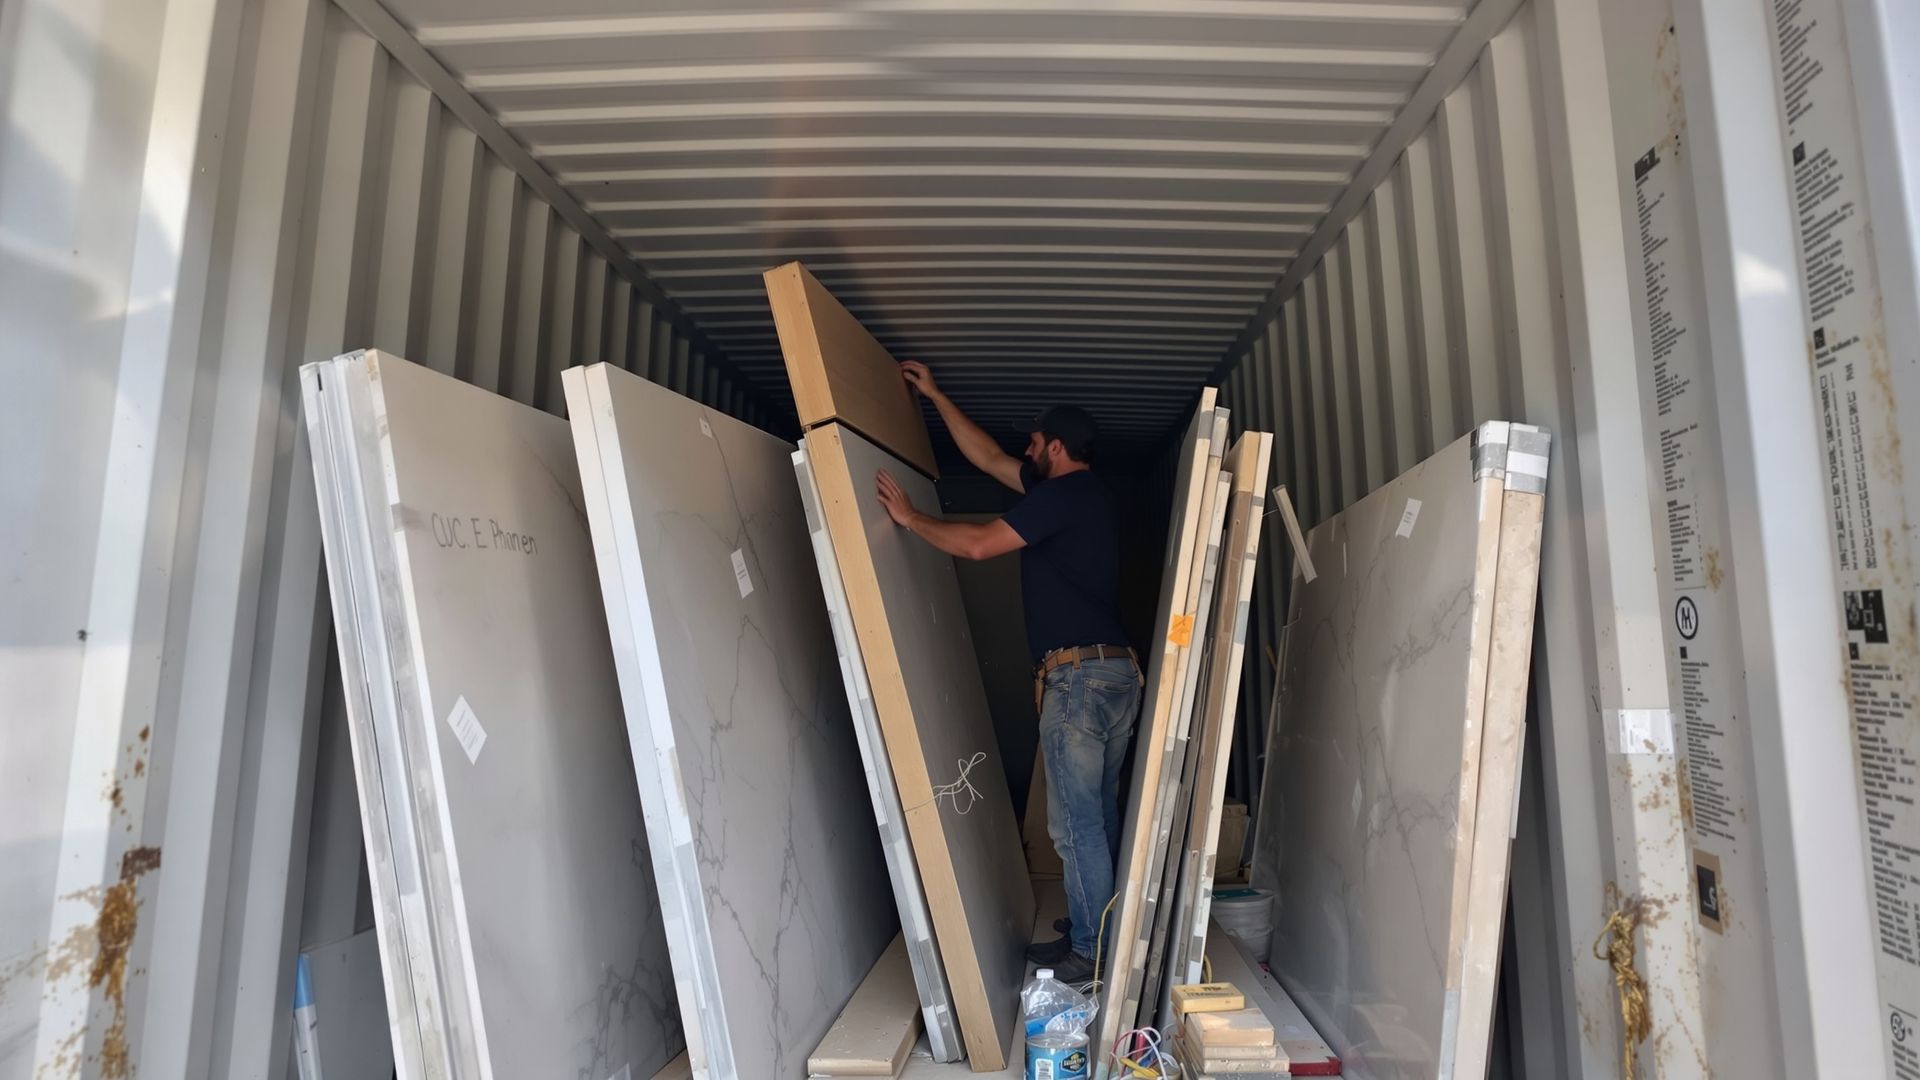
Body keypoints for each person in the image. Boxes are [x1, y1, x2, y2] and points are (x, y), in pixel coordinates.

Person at [874, 359, 1143, 985]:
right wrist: (936, 396)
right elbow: (991, 458)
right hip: (1115, 675)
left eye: (1034, 443)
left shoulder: (1063, 498)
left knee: (1073, 826)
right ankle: (1090, 930)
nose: (1025, 452)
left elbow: (976, 546)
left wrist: (912, 520)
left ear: (1055, 446)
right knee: (1096, 816)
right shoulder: (1082, 497)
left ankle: (1092, 951)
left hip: (1078, 681)